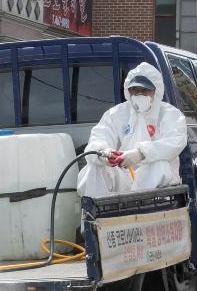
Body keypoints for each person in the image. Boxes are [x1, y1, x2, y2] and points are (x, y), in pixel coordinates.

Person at [77, 61, 188, 196]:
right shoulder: (116, 114)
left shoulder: (169, 114)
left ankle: (145, 209)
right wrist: (104, 153)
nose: (139, 94)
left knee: (160, 165)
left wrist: (141, 153)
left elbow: (175, 142)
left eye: (145, 90)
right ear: (127, 90)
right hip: (124, 175)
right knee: (95, 168)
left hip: (156, 186)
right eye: (134, 89)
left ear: (156, 91)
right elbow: (99, 136)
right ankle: (96, 212)